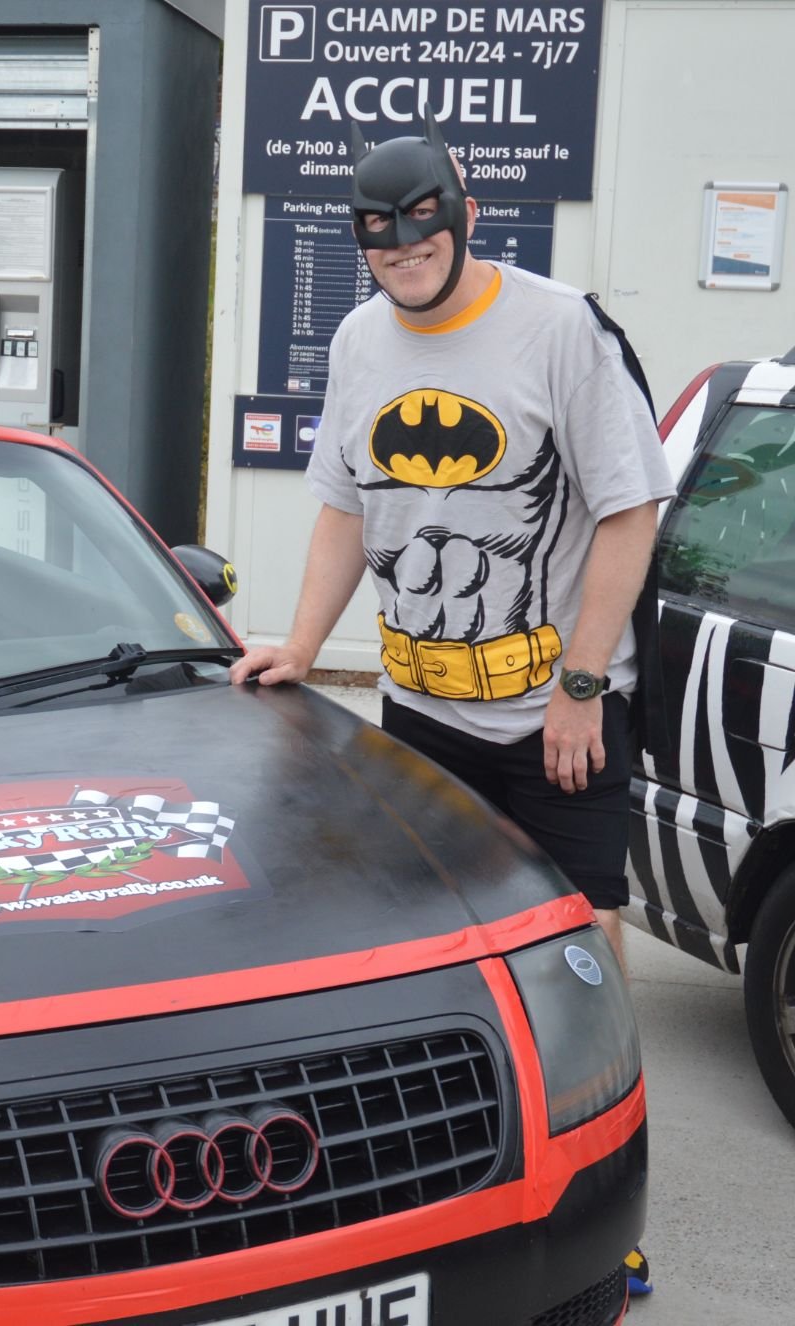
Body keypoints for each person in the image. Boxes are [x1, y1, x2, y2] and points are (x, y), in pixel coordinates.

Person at [226, 120, 670, 1297]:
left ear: (464, 212)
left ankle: (601, 1208)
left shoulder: (558, 328)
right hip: (422, 709)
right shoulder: (363, 337)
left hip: (553, 713)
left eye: (421, 229)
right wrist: (304, 649)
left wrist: (581, 687)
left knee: (577, 945)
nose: (404, 253)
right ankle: (448, 1179)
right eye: (381, 239)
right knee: (434, 953)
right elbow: (340, 509)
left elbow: (630, 510)